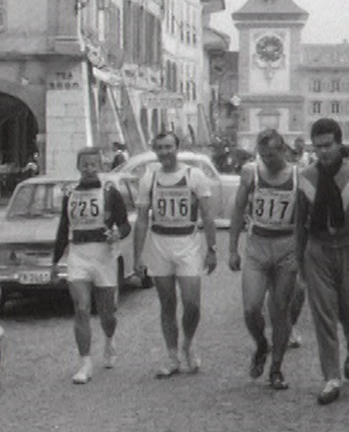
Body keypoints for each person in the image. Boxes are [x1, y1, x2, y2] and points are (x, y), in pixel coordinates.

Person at [296, 118, 349, 406]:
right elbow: (299, 224)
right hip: (318, 252)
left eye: (328, 145)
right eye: (318, 146)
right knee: (323, 315)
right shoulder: (307, 178)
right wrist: (299, 262)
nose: (323, 152)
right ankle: (331, 376)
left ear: (338, 142)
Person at [133, 131, 218, 377]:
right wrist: (138, 255)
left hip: (187, 243)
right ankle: (172, 355)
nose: (164, 152)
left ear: (177, 148)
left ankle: (188, 343)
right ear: (155, 150)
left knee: (192, 303)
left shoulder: (194, 175)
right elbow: (141, 220)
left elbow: (208, 216)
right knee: (167, 303)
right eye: (159, 148)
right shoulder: (149, 178)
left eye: (169, 147)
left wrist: (212, 250)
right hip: (160, 243)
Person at [52, 147, 131, 383]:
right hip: (78, 255)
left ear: (100, 166)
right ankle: (85, 362)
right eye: (84, 165)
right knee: (82, 308)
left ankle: (109, 339)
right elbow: (63, 229)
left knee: (107, 312)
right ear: (78, 166)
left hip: (103, 256)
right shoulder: (70, 194)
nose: (89, 169)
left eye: (93, 164)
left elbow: (125, 224)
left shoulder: (110, 192)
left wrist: (117, 234)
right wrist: (55, 261)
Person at [228, 129, 299, 390]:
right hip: (257, 247)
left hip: (286, 247)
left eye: (271, 156)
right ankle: (261, 345)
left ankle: (277, 368)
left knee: (280, 310)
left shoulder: (297, 176)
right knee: (251, 307)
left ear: (282, 150)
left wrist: (303, 253)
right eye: (262, 156)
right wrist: (232, 249)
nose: (266, 161)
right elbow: (237, 211)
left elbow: (305, 218)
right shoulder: (251, 172)